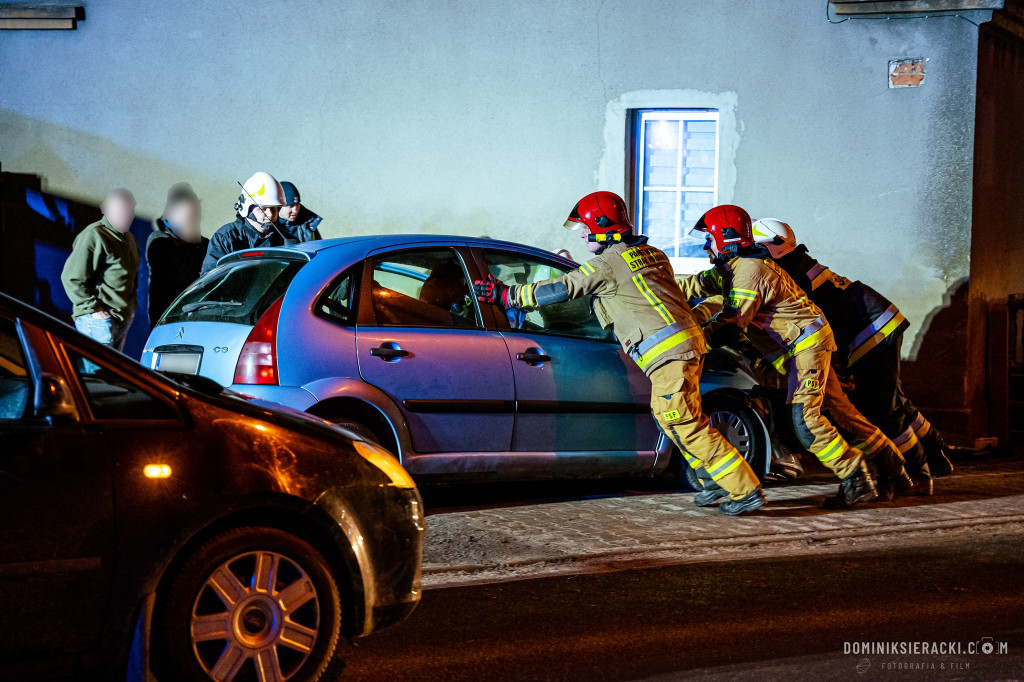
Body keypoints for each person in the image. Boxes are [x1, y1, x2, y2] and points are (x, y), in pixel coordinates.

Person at [474, 191, 766, 515]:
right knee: (672, 418)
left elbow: (562, 288)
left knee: (682, 421)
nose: (583, 234)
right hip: (685, 349)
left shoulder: (607, 263)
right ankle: (713, 482)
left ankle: (745, 490)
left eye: (585, 227)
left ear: (602, 226)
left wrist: (506, 294)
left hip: (669, 356)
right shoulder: (650, 254)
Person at [678, 205, 891, 509]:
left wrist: (699, 335)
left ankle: (856, 477)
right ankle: (889, 467)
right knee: (841, 412)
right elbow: (697, 285)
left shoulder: (749, 272)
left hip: (806, 348)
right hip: (804, 347)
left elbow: (732, 322)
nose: (705, 245)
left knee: (806, 421)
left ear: (725, 239)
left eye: (709, 238)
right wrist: (659, 286)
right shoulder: (735, 267)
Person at [749, 217, 952, 493]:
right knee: (894, 400)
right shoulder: (797, 262)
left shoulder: (787, 272)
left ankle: (918, 474)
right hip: (877, 324)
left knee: (881, 409)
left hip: (871, 331)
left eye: (756, 248)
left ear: (772, 247)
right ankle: (935, 455)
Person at [60, 188, 139, 351]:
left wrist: (131, 308)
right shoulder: (94, 235)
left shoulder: (129, 239)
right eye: (119, 211)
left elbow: (131, 277)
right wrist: (94, 309)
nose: (125, 216)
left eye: (128, 211)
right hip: (98, 322)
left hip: (120, 319)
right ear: (107, 210)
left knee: (111, 374)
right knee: (96, 373)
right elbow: (71, 277)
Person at [201, 172, 296, 274]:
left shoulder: (286, 240)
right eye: (263, 209)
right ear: (247, 209)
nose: (270, 214)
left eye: (274, 208)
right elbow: (210, 279)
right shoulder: (226, 238)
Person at [146, 183, 208, 326]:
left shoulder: (203, 244)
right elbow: (185, 276)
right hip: (167, 321)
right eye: (188, 215)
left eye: (194, 215)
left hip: (195, 322)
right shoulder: (159, 240)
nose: (193, 220)